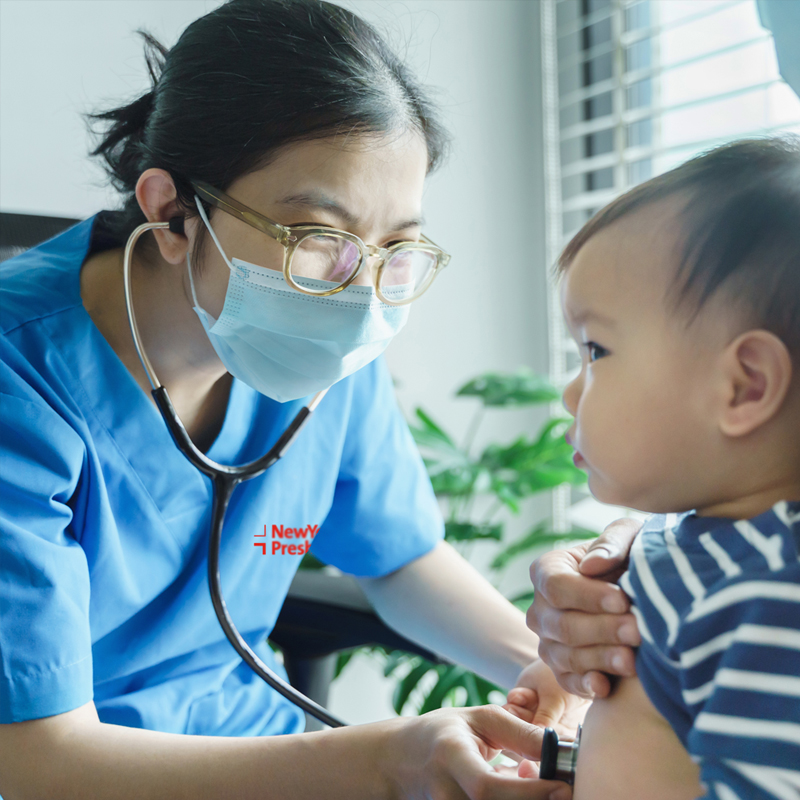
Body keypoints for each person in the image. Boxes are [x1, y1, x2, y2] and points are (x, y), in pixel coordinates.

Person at [0, 1, 593, 798]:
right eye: (319, 238)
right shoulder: (22, 374)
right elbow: (35, 757)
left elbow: (401, 558)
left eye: (396, 247)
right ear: (170, 210)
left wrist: (540, 662)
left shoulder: (321, 348)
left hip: (258, 752)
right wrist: (383, 761)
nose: (362, 293)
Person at [508, 137, 800, 799]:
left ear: (744, 387)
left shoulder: (773, 601)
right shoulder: (699, 544)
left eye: (596, 349)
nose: (569, 391)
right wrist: (560, 685)